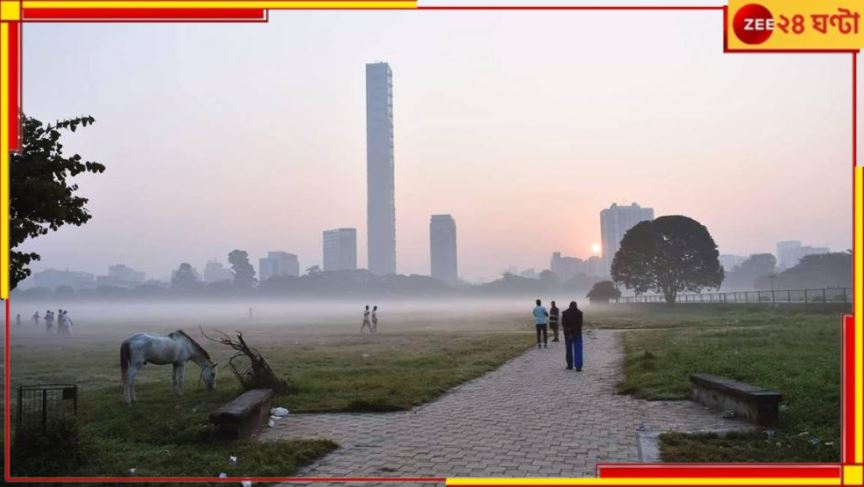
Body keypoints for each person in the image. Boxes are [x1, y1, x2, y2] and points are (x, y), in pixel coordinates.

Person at [561, 301, 584, 371]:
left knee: (568, 350)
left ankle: (570, 365)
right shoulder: (579, 313)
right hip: (577, 334)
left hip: (568, 335)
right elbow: (580, 324)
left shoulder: (565, 313)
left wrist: (569, 331)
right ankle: (578, 366)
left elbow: (564, 324)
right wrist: (573, 330)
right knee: (578, 350)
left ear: (569, 305)